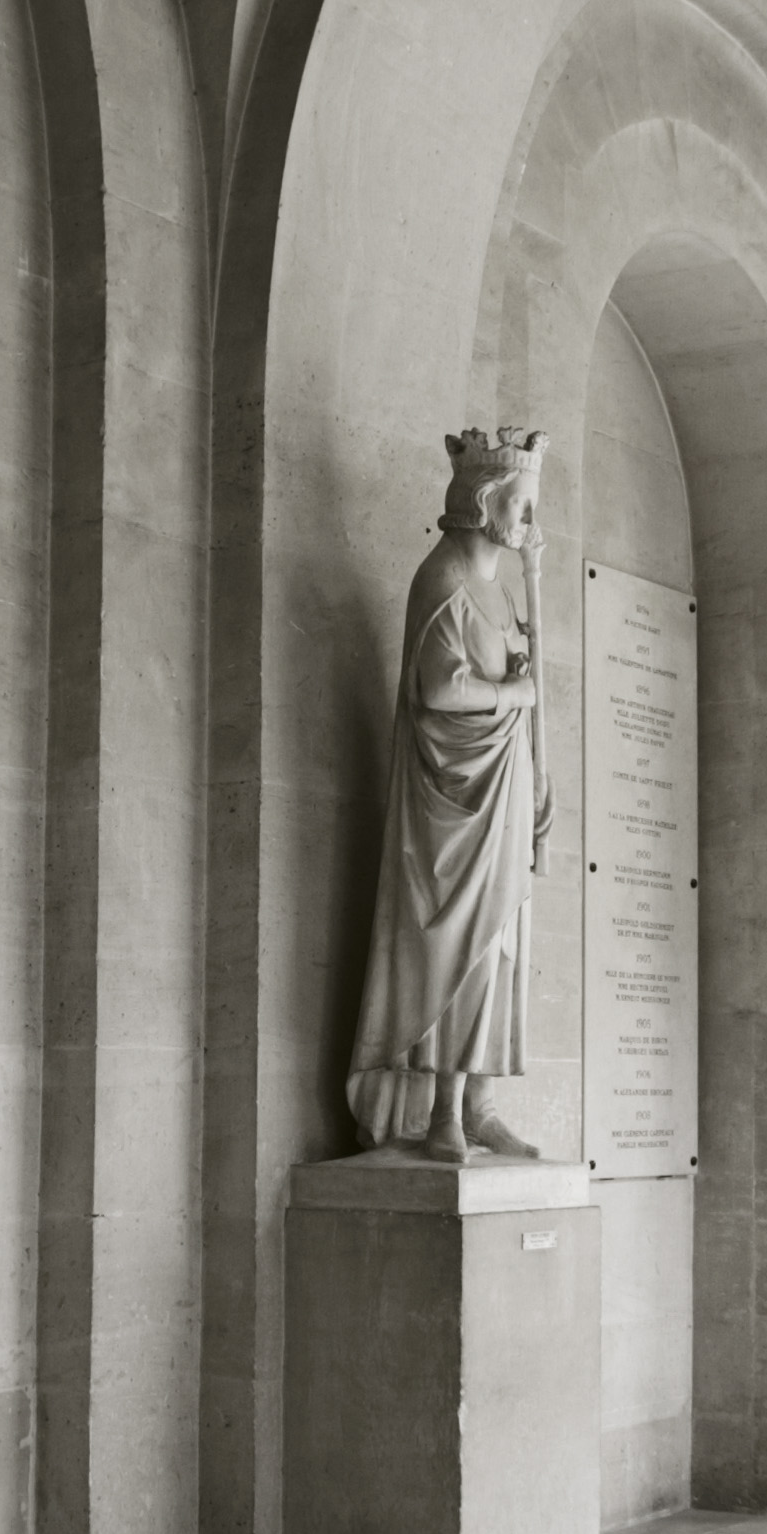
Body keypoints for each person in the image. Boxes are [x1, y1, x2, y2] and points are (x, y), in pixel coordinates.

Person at [348, 429, 545, 1158]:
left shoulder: (499, 592)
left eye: (530, 508)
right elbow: (437, 689)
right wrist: (514, 691)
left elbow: (519, 701)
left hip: (503, 797)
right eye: (520, 506)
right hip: (450, 813)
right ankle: (443, 1115)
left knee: (499, 949)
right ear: (481, 505)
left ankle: (482, 1098)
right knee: (456, 948)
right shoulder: (443, 581)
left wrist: (539, 784)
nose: (528, 523)